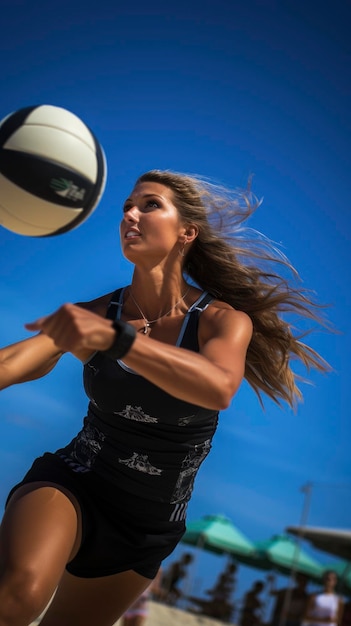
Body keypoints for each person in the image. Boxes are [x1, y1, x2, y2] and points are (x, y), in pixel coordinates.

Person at [0, 169, 330, 626]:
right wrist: (105, 332)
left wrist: (119, 340)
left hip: (146, 528)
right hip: (74, 483)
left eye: (149, 204)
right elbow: (12, 363)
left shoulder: (222, 322)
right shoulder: (97, 314)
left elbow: (218, 386)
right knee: (17, 599)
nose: (130, 215)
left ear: (186, 231)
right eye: (126, 208)